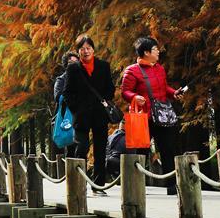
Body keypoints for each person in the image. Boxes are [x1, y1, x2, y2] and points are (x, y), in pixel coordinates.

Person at [120, 36, 184, 194]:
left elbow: (164, 88)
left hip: (161, 116)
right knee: (140, 152)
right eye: (155, 49)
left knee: (167, 149)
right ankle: (137, 187)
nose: (158, 52)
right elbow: (125, 92)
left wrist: (174, 93)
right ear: (146, 52)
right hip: (141, 118)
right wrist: (134, 97)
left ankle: (172, 186)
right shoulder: (132, 70)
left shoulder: (159, 68)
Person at [62, 34, 115, 195]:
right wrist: (76, 109)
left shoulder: (103, 66)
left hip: (100, 114)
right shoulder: (73, 68)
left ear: (93, 49)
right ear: (78, 51)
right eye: (82, 49)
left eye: (88, 48)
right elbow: (67, 92)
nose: (85, 51)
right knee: (81, 147)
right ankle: (78, 183)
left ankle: (98, 185)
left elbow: (110, 89)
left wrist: (104, 99)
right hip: (82, 115)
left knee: (100, 150)